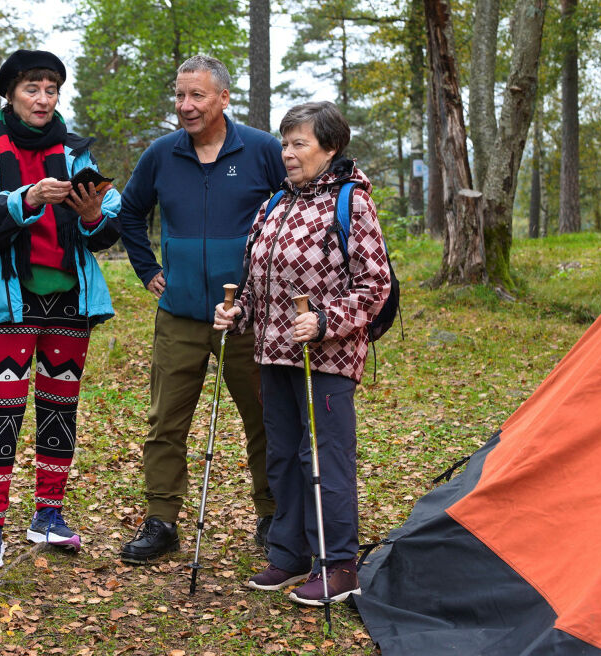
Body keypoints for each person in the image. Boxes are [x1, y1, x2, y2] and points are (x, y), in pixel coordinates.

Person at [213, 101, 390, 605]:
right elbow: (255, 285)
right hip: (273, 354)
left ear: (329, 148)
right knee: (283, 456)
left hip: (327, 358)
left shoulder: (351, 202)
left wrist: (326, 320)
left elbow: (374, 284)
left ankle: (338, 565)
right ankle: (289, 553)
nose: (287, 153)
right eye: (284, 143)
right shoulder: (274, 204)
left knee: (325, 459)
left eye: (299, 144)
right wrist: (238, 313)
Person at [0, 49, 122, 573]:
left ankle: (48, 515)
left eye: (51, 89)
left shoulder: (75, 152)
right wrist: (28, 199)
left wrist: (93, 215)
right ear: (10, 94)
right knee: (0, 412)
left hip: (70, 301)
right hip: (8, 302)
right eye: (32, 88)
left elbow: (109, 224)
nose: (43, 99)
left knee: (59, 409)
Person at [117, 55, 285, 564]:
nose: (185, 106)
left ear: (223, 99)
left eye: (197, 96)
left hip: (246, 319)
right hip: (182, 315)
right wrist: (148, 271)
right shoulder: (161, 154)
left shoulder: (261, 150)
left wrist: (268, 281)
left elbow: (293, 211)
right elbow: (130, 212)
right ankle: (162, 520)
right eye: (180, 95)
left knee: (266, 419)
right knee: (166, 421)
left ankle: (273, 515)